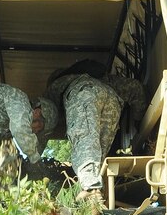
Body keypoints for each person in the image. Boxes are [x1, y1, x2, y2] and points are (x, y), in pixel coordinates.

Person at [46, 62, 146, 196]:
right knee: (98, 155)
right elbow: (135, 88)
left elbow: (45, 116)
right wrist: (139, 120)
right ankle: (96, 193)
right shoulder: (102, 78)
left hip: (83, 96)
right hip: (113, 101)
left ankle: (90, 188)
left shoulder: (57, 86)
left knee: (83, 137)